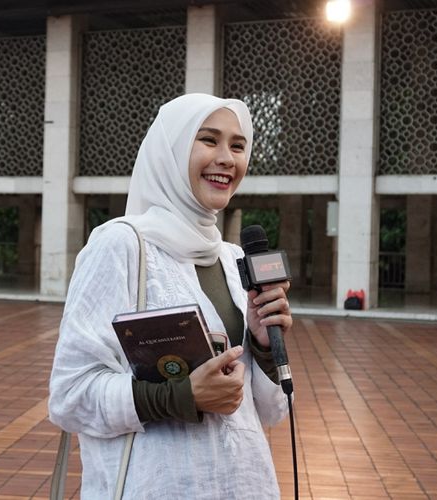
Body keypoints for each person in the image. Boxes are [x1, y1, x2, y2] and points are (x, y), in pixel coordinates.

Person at [48, 93, 293, 499]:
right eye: (208, 140)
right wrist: (181, 396)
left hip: (244, 485)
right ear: (171, 150)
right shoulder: (120, 245)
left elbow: (269, 412)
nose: (226, 158)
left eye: (238, 145)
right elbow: (70, 397)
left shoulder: (235, 260)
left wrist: (266, 346)